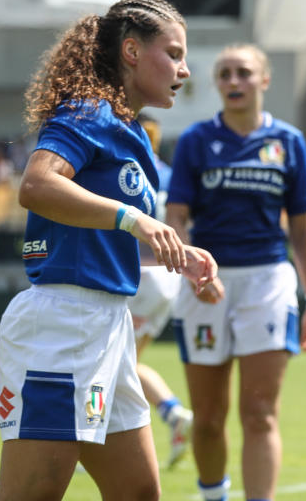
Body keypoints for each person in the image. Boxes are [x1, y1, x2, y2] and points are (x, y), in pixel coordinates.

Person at [0, 0, 223, 501]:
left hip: (109, 327)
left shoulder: (132, 132)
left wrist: (180, 255)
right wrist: (133, 218)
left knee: (139, 491)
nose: (185, 69)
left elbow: (108, 225)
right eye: (175, 52)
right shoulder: (88, 111)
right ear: (133, 51)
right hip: (63, 326)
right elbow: (37, 185)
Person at [166, 44, 306, 501]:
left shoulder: (289, 142)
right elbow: (175, 217)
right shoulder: (195, 140)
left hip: (267, 281)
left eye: (244, 73)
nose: (234, 82)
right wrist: (194, 267)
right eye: (225, 74)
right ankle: (213, 495)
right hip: (205, 282)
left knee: (259, 413)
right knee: (209, 417)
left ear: (264, 81)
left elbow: (302, 228)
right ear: (216, 83)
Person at [130, 113, 193, 466]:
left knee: (108, 361)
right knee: (127, 361)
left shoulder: (126, 170)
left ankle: (87, 434)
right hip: (169, 279)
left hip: (136, 274)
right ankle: (171, 412)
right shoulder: (168, 173)